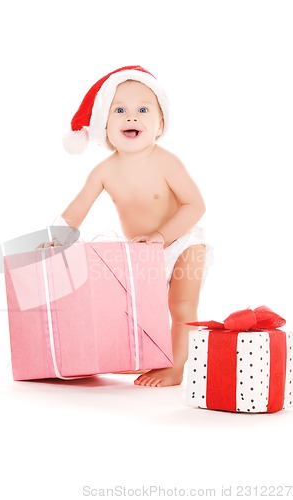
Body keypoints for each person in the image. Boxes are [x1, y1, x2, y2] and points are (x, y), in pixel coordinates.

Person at [60, 65, 212, 387]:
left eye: (143, 110)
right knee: (134, 308)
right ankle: (141, 357)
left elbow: (195, 205)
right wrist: (57, 237)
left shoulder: (166, 161)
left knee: (182, 304)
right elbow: (78, 208)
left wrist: (161, 236)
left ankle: (177, 367)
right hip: (143, 254)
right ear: (104, 125)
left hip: (183, 243)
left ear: (160, 123)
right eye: (120, 110)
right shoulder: (104, 171)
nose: (132, 118)